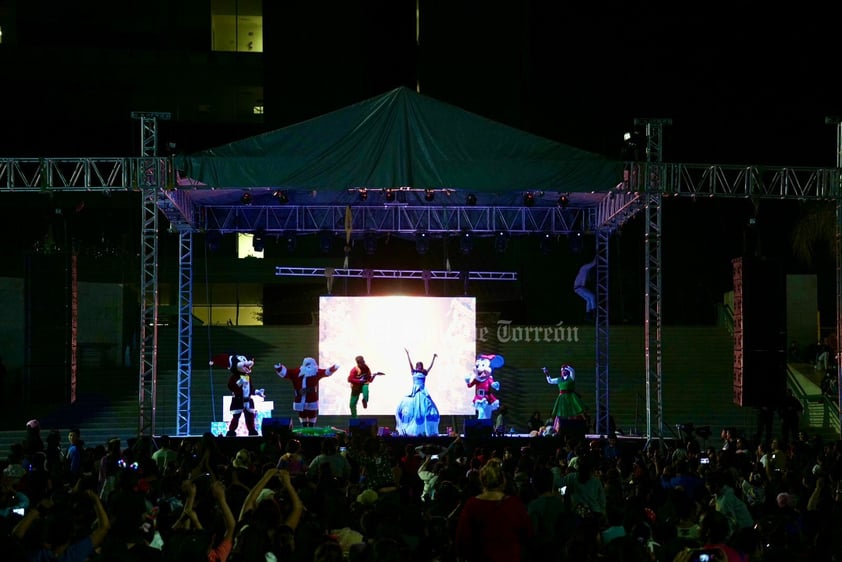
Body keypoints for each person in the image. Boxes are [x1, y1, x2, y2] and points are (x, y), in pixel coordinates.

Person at [454, 457, 533, 562]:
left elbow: (462, 539)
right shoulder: (514, 504)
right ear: (503, 481)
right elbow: (527, 535)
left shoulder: (472, 505)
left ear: (482, 480)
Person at [274, 356, 340, 428]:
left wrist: (333, 368)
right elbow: (287, 373)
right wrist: (279, 368)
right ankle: (304, 426)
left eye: (310, 365)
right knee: (302, 414)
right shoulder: (297, 372)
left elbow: (326, 372)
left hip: (311, 399)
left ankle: (311, 427)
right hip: (300, 398)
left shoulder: (316, 372)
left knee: (312, 413)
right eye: (307, 365)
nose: (309, 367)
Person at [210, 353, 264, 437]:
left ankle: (252, 432)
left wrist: (257, 392)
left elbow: (250, 389)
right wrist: (239, 383)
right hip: (238, 401)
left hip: (248, 401)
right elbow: (231, 386)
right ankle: (231, 432)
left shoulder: (247, 377)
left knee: (250, 418)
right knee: (236, 418)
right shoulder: (234, 377)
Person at [395, 348, 440, 436]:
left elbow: (430, 367)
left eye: (420, 365)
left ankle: (425, 428)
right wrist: (408, 354)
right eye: (417, 365)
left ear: (422, 366)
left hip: (422, 391)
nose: (419, 366)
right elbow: (410, 364)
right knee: (412, 409)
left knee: (426, 408)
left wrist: (433, 358)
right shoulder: (414, 372)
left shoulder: (424, 372)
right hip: (414, 391)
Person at [543, 364, 586, 433]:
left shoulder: (571, 378)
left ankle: (575, 427)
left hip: (570, 397)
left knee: (573, 411)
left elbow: (572, 371)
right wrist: (547, 374)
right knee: (561, 412)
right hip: (562, 398)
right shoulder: (559, 379)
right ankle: (559, 428)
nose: (563, 371)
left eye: (564, 370)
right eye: (562, 370)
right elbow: (550, 381)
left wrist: (566, 367)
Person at [573, 256, 597, 320]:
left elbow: (588, 278)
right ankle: (594, 311)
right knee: (592, 296)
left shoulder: (585, 270)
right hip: (579, 287)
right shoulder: (584, 267)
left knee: (588, 299)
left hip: (577, 288)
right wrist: (597, 255)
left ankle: (587, 315)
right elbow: (593, 263)